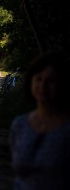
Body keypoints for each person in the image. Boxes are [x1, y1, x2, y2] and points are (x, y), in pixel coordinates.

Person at [9, 51, 70, 189]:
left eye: (51, 81)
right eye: (39, 79)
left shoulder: (67, 130)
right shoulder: (20, 125)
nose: (43, 86)